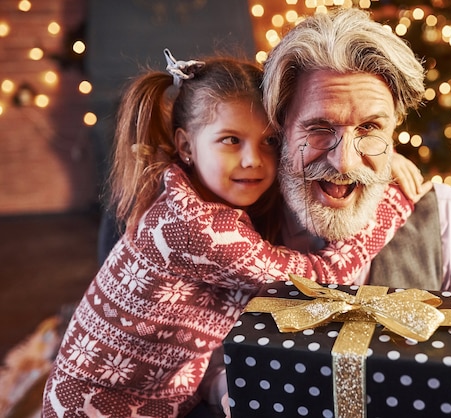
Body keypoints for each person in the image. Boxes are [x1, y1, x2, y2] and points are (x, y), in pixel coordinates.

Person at [41, 49, 424, 417]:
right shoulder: (197, 228)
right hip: (102, 409)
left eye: (269, 142)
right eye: (230, 140)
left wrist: (370, 160)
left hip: (155, 397)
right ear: (186, 146)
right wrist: (392, 200)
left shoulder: (185, 188)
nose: (252, 160)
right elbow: (320, 279)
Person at [258, 8, 451, 418]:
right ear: (281, 128)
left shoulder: (444, 216)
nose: (344, 162)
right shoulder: (236, 219)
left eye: (369, 129)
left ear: (394, 133)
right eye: (319, 128)